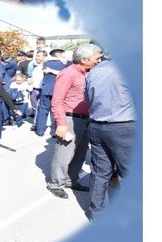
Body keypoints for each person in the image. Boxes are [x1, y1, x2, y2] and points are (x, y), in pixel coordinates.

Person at [46, 43, 103, 198]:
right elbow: (57, 101)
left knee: (80, 152)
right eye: (96, 58)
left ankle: (71, 180)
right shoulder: (68, 74)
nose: (99, 61)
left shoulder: (90, 73)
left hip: (86, 118)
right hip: (70, 118)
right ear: (84, 59)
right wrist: (61, 124)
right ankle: (56, 184)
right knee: (64, 153)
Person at [84, 53, 135, 219]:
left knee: (100, 172)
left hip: (97, 125)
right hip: (123, 126)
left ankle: (96, 213)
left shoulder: (94, 71)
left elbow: (87, 98)